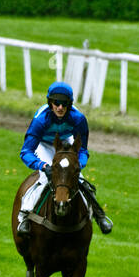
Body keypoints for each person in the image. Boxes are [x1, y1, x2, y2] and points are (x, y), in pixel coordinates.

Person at [16, 81, 113, 235]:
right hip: (44, 145)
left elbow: (82, 149)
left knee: (79, 179)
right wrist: (42, 165)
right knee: (43, 179)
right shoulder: (41, 121)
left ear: (69, 104)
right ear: (50, 103)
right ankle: (25, 218)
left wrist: (79, 164)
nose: (60, 107)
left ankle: (99, 216)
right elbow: (26, 151)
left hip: (66, 144)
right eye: (56, 103)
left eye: (64, 104)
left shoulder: (78, 119)